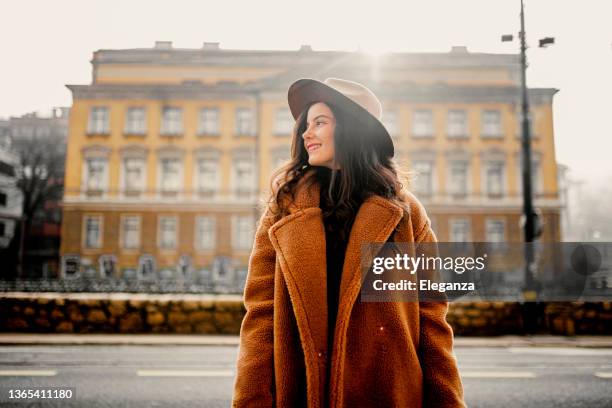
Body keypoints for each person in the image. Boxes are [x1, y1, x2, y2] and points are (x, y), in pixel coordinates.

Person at [232, 78, 466, 407]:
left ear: (352, 130)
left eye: (320, 122)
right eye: (306, 124)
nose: (306, 134)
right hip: (302, 393)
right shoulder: (283, 210)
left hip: (388, 394)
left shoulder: (406, 213)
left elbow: (432, 320)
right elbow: (260, 317)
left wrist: (448, 402)